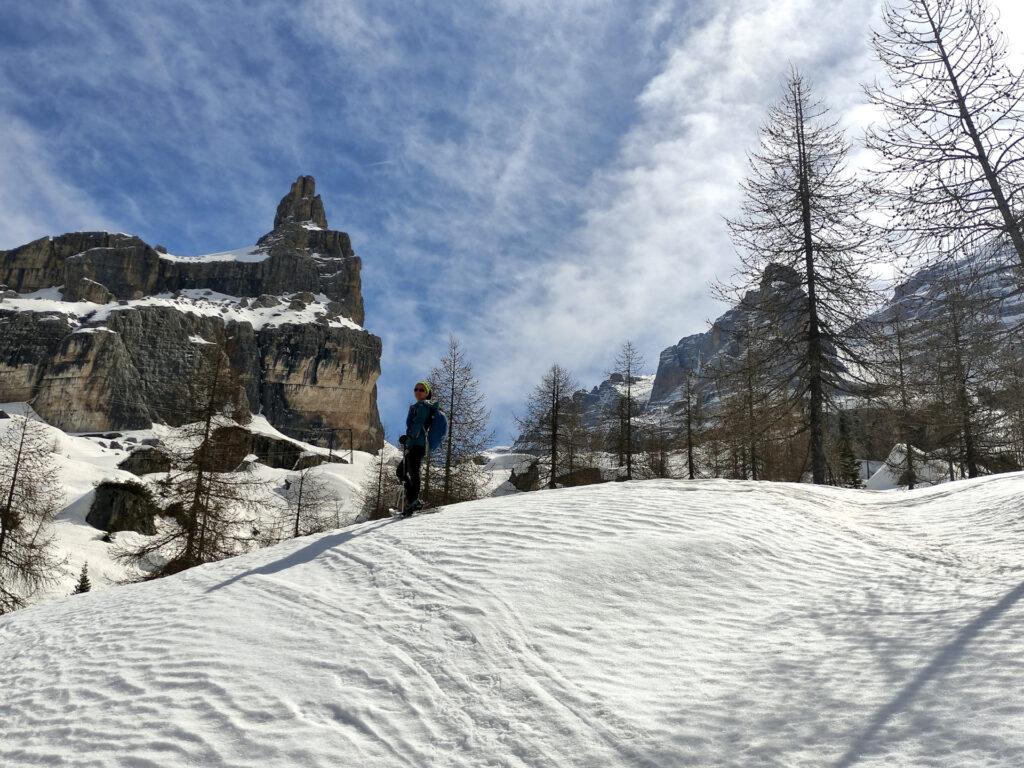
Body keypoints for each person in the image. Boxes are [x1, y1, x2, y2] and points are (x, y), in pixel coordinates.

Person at [397, 380, 439, 516]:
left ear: (427, 393)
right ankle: (412, 501)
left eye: (421, 390)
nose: (418, 391)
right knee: (401, 472)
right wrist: (408, 440)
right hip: (413, 444)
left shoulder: (423, 405)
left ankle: (414, 501)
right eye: (416, 389)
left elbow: (419, 423)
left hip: (419, 444)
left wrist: (410, 437)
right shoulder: (416, 406)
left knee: (413, 471)